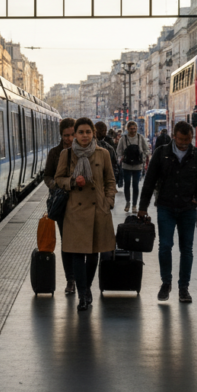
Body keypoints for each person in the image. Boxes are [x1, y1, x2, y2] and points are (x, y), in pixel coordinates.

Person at [137, 121, 197, 303]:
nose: (184, 143)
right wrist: (142, 207)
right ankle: (166, 282)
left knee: (186, 249)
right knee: (165, 246)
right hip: (166, 206)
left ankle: (183, 288)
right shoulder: (161, 153)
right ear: (174, 136)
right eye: (181, 139)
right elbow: (150, 180)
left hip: (188, 208)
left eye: (187, 140)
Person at [54, 117, 117, 312]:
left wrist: (108, 202)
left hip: (98, 209)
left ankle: (87, 287)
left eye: (87, 132)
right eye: (80, 132)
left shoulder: (103, 153)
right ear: (76, 134)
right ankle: (82, 294)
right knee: (77, 254)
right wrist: (72, 181)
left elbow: (110, 180)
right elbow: (58, 179)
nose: (84, 136)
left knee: (93, 255)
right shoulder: (67, 153)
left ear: (93, 134)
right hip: (75, 210)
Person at [44, 118, 77, 295]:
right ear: (61, 135)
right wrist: (55, 185)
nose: (69, 139)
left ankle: (81, 277)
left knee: (81, 242)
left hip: (81, 204)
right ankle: (70, 279)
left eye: (72, 134)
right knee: (66, 243)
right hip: (61, 204)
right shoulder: (55, 153)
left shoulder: (85, 151)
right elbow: (47, 175)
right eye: (66, 135)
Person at [117, 121, 150, 213]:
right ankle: (128, 202)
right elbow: (118, 151)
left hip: (137, 165)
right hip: (126, 165)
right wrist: (122, 156)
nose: (133, 130)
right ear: (128, 129)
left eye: (134, 128)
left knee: (135, 185)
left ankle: (134, 205)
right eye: (131, 129)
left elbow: (147, 149)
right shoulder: (123, 139)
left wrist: (142, 156)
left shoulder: (140, 138)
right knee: (127, 184)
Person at [95, 121, 121, 188]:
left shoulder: (108, 145)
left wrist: (114, 177)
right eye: (101, 130)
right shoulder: (89, 145)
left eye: (104, 130)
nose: (103, 132)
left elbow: (114, 163)